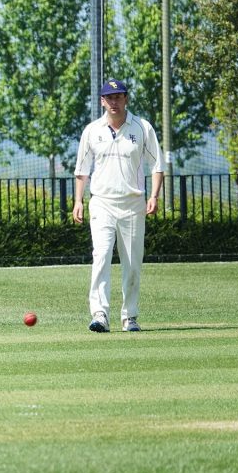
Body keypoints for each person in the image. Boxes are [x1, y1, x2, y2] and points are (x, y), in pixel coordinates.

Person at [73, 79, 164, 333]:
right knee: (100, 256)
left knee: (133, 262)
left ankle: (130, 317)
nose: (114, 102)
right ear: (102, 101)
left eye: (118, 96)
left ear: (126, 99)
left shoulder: (142, 128)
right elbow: (81, 170)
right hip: (101, 202)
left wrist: (154, 196)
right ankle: (100, 314)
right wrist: (78, 201)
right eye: (109, 97)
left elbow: (157, 165)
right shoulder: (92, 130)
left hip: (133, 203)